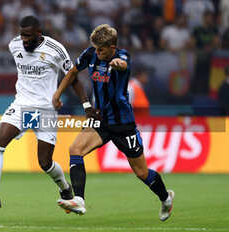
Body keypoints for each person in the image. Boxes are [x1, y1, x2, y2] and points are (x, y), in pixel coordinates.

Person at [52, 24, 174, 221]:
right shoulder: (91, 53)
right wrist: (57, 94)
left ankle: (165, 197)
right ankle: (79, 200)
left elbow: (124, 64)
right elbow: (73, 72)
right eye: (96, 48)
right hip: (100, 120)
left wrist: (118, 64)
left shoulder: (123, 56)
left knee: (141, 172)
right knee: (75, 149)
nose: (97, 52)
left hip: (123, 123)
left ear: (112, 47)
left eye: (101, 49)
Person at [0, 15, 92, 217]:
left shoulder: (56, 49)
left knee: (44, 162)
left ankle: (64, 187)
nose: (24, 40)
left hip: (45, 110)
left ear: (39, 33)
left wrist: (86, 105)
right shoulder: (14, 46)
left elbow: (73, 77)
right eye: (22, 35)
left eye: (29, 36)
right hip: (22, 105)